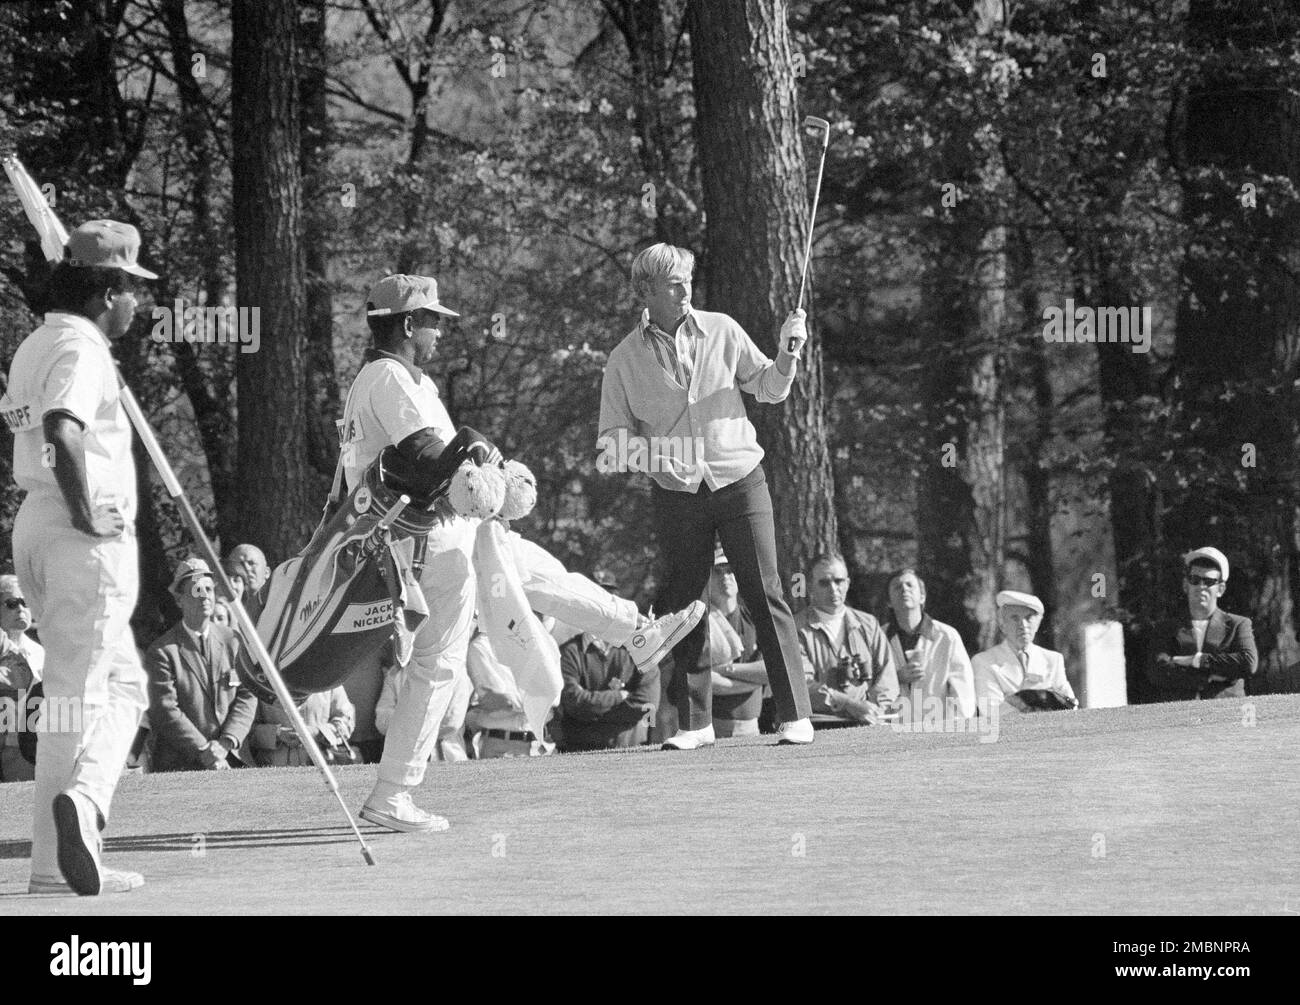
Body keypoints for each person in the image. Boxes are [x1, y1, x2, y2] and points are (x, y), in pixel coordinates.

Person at [597, 242, 814, 749]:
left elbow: (768, 388)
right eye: (674, 283)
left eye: (688, 280)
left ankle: (795, 714)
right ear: (646, 291)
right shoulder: (623, 359)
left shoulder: (722, 329)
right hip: (677, 494)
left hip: (740, 479)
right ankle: (696, 726)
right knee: (685, 604)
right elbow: (612, 439)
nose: (685, 290)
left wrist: (787, 353)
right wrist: (653, 458)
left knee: (765, 591)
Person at [2, 220, 155, 894]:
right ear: (106, 290)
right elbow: (63, 430)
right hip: (78, 532)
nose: (137, 305)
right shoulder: (82, 346)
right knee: (77, 693)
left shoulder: (36, 342)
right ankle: (78, 814)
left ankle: (74, 826)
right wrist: (89, 510)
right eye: (131, 290)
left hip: (35, 521)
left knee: (120, 685)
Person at [340, 274, 487, 831]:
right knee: (437, 663)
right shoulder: (391, 376)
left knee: (433, 663)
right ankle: (393, 794)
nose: (440, 332)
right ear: (406, 325)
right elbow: (426, 458)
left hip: (403, 535)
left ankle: (630, 629)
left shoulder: (381, 377)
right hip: (422, 537)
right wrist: (472, 447)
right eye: (433, 321)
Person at [145, 557, 258, 771]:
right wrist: (205, 750)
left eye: (209, 589)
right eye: (197, 590)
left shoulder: (233, 641)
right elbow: (165, 710)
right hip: (181, 765)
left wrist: (225, 744)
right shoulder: (162, 651)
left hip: (233, 758)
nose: (205, 596)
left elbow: (248, 694)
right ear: (180, 600)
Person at [795, 553, 899, 723]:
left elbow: (886, 677)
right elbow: (800, 685)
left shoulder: (869, 624)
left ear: (848, 583)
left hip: (870, 721)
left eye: (839, 581)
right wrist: (849, 704)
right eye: (824, 583)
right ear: (810, 587)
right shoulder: (796, 629)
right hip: (818, 723)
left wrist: (876, 709)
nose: (833, 589)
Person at [1148, 547, 1258, 702]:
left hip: (1227, 716)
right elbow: (1157, 671)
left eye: (1209, 582)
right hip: (1180, 717)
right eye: (1195, 580)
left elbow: (1248, 663)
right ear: (1186, 585)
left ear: (1220, 589)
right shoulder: (1166, 629)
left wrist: (1197, 660)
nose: (1201, 587)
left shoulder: (1238, 625)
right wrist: (1207, 677)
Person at [885, 568, 976, 721]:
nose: (904, 590)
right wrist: (896, 678)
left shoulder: (946, 636)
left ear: (922, 597)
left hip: (938, 730)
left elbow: (962, 691)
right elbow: (869, 687)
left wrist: (955, 729)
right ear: (889, 602)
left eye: (909, 585)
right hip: (892, 731)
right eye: (897, 587)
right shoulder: (879, 637)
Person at [559, 616, 657, 751]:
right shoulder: (570, 652)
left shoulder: (641, 651)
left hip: (632, 749)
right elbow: (572, 701)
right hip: (580, 751)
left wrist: (592, 712)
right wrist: (619, 697)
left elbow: (647, 703)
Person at [699, 545, 767, 738]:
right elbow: (704, 680)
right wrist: (753, 681)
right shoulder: (700, 623)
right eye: (717, 572)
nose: (725, 577)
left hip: (753, 727)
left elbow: (772, 671)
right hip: (712, 727)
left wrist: (726, 670)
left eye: (730, 571)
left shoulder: (755, 619)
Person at [972, 591, 1076, 712]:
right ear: (1002, 625)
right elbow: (992, 712)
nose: (1023, 625)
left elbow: (1070, 707)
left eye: (1029, 618)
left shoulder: (1053, 659)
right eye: (1015, 618)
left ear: (1037, 624)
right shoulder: (984, 661)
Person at [463, 629, 555, 758]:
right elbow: (499, 700)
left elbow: (554, 697)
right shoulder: (482, 646)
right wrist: (535, 701)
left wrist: (520, 701)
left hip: (539, 745)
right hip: (501, 746)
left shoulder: (543, 640)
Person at [0, 575, 44, 782]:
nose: (20, 609)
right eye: (11, 603)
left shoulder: (42, 652)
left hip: (37, 748)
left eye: (25, 602)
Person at [252, 686, 356, 767]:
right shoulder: (262, 681)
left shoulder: (328, 680)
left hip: (322, 768)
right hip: (271, 772)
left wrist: (316, 732)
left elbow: (346, 722)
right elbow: (245, 729)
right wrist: (277, 734)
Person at [223, 543, 268, 621]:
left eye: (251, 563)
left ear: (267, 572)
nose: (246, 568)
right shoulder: (221, 610)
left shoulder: (275, 604)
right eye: (240, 564)